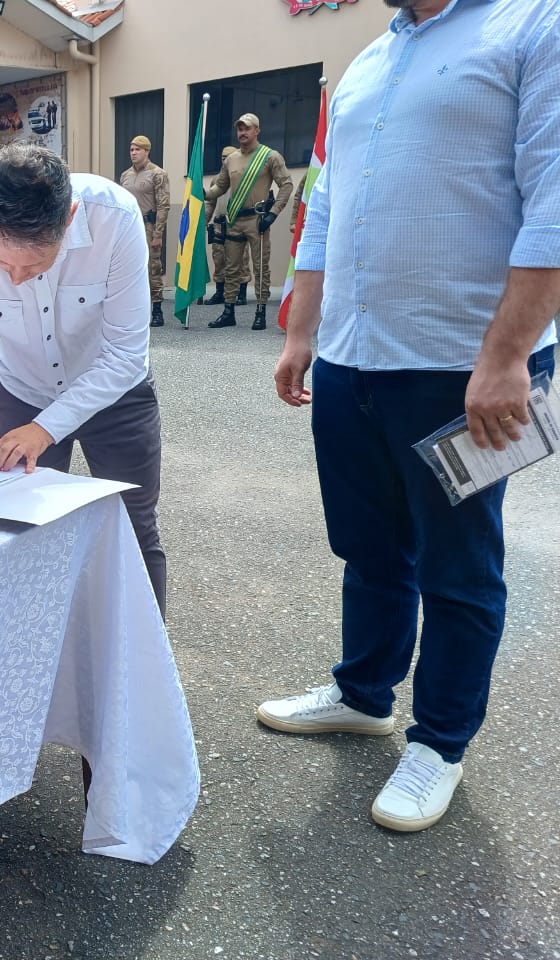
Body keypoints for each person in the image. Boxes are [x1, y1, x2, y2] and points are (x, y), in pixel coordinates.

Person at [263, 0, 559, 833]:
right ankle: (364, 693)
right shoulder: (366, 63)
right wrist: (301, 332)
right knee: (370, 544)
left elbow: (556, 203)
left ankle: (441, 742)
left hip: (465, 364)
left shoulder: (533, 25)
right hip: (357, 355)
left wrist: (506, 359)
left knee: (459, 566)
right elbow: (325, 206)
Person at [0, 143, 167, 615]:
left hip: (115, 392)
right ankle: (35, 655)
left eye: (33, 266)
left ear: (68, 218)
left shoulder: (116, 218)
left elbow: (126, 355)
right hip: (23, 391)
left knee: (133, 526)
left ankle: (145, 671)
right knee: (20, 527)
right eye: (3, 265)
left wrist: (45, 429)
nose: (15, 279)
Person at [203, 113, 293, 331]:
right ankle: (228, 312)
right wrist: (205, 193)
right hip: (234, 220)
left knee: (261, 268)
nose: (242, 132)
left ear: (257, 130)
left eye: (247, 128)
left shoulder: (270, 156)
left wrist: (273, 213)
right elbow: (221, 187)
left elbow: (287, 184)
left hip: (258, 220)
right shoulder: (231, 159)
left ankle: (260, 312)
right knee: (232, 268)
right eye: (240, 129)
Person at [118, 136, 171, 326]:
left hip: (149, 227)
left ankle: (157, 310)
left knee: (153, 268)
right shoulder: (125, 175)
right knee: (129, 269)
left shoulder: (158, 174)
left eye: (137, 149)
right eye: (131, 149)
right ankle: (134, 310)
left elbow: (164, 205)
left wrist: (158, 234)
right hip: (129, 228)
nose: (133, 153)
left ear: (147, 151)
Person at [202, 145, 251, 306]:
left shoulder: (244, 176)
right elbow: (210, 203)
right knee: (219, 258)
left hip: (237, 223)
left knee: (240, 259)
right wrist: (203, 221)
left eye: (228, 157)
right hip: (219, 224)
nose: (225, 160)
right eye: (223, 157)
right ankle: (219, 292)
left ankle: (241, 293)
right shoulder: (217, 179)